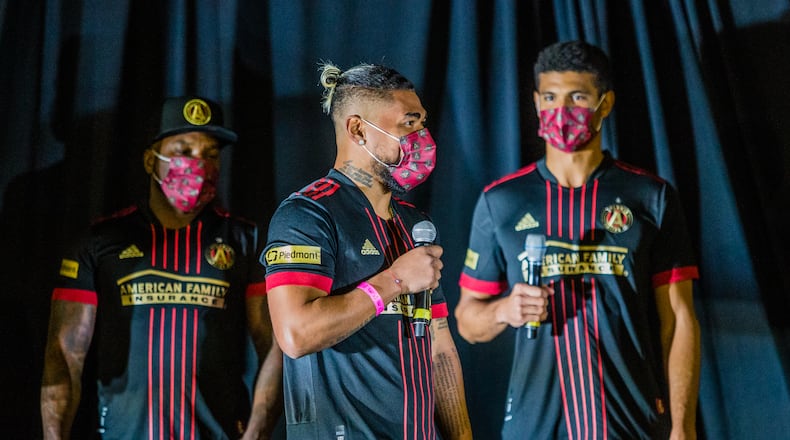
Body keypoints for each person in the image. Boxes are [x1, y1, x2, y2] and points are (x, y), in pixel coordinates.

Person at [455, 40, 701, 439]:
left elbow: (679, 321)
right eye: (550, 97)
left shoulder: (650, 196)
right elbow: (467, 321)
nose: (561, 111)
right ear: (536, 103)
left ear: (604, 104)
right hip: (535, 425)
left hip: (631, 422)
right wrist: (505, 311)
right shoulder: (501, 200)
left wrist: (683, 427)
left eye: (577, 97)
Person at [40, 96, 283, 440]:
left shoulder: (247, 240)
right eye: (183, 151)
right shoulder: (99, 241)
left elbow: (275, 345)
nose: (197, 165)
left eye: (210, 154)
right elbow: (65, 356)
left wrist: (257, 432)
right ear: (150, 160)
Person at [261, 63, 473, 439]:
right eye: (408, 123)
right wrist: (394, 280)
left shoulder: (415, 223)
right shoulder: (307, 214)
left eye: (422, 123)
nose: (422, 136)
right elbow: (296, 334)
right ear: (358, 129)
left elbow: (439, 348)